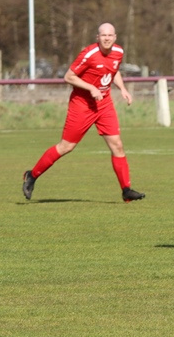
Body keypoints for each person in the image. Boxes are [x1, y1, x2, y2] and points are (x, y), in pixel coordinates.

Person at [22, 22, 145, 202]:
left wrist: (123, 89)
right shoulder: (89, 54)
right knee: (66, 146)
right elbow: (68, 77)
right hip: (82, 105)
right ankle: (32, 175)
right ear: (98, 37)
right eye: (103, 35)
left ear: (115, 37)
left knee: (117, 145)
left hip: (104, 104)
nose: (107, 38)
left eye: (110, 35)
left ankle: (126, 190)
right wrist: (91, 88)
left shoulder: (118, 52)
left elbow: (114, 71)